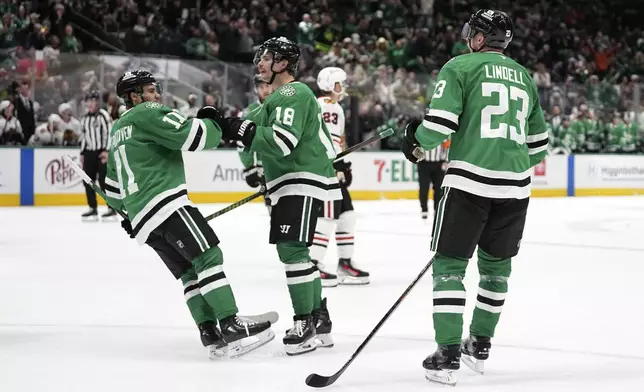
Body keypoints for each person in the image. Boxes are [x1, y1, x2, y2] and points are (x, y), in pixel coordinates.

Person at [400, 10, 548, 385]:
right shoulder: (524, 76)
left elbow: (439, 127)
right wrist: (507, 163)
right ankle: (479, 346)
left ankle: (447, 353)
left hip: (469, 183)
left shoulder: (460, 66)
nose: (469, 37)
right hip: (515, 187)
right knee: (496, 271)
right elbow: (540, 146)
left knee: (449, 267)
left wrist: (414, 142)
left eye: (473, 32)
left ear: (481, 38)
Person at [104, 69, 275, 359]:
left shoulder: (117, 130)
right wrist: (214, 121)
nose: (156, 95)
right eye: (150, 90)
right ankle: (231, 324)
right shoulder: (148, 112)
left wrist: (129, 216)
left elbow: (111, 189)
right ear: (135, 97)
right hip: (167, 203)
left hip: (144, 219)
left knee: (188, 273)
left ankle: (210, 333)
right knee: (208, 257)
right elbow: (193, 137)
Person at [217, 37, 342, 356]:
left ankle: (305, 323)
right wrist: (223, 126)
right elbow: (248, 134)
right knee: (299, 252)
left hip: (298, 178)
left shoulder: (293, 91)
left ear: (283, 63)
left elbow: (282, 142)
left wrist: (241, 130)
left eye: (267, 57)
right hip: (291, 180)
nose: (259, 62)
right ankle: (318, 320)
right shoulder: (271, 102)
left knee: (292, 252)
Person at [310, 66, 370, 287]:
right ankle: (313, 264)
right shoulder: (328, 106)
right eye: (338, 83)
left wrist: (342, 164)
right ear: (328, 85)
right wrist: (337, 165)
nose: (342, 88)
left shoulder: (329, 106)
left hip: (330, 165)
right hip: (325, 168)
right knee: (326, 216)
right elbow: (327, 142)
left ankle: (344, 263)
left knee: (346, 214)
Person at [80, 91, 115, 221]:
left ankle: (111, 208)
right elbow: (84, 137)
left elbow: (109, 134)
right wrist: (82, 153)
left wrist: (106, 151)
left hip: (102, 152)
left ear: (97, 102)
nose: (89, 104)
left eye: (91, 101)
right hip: (89, 152)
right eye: (87, 101)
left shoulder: (103, 116)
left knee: (104, 181)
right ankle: (92, 208)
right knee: (88, 181)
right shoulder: (84, 118)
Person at [237, 75, 272, 202]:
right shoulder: (249, 113)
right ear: (256, 89)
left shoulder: (282, 107)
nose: (265, 90)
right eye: (261, 87)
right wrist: (249, 167)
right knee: (272, 206)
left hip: (284, 166)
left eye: (267, 85)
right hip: (263, 169)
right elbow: (242, 144)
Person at [416, 138, 448, 233]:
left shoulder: (442, 132)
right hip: (423, 163)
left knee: (438, 189)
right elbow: (416, 145)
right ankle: (424, 209)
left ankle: (436, 210)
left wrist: (445, 160)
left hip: (439, 163)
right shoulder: (422, 131)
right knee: (424, 187)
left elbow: (446, 146)